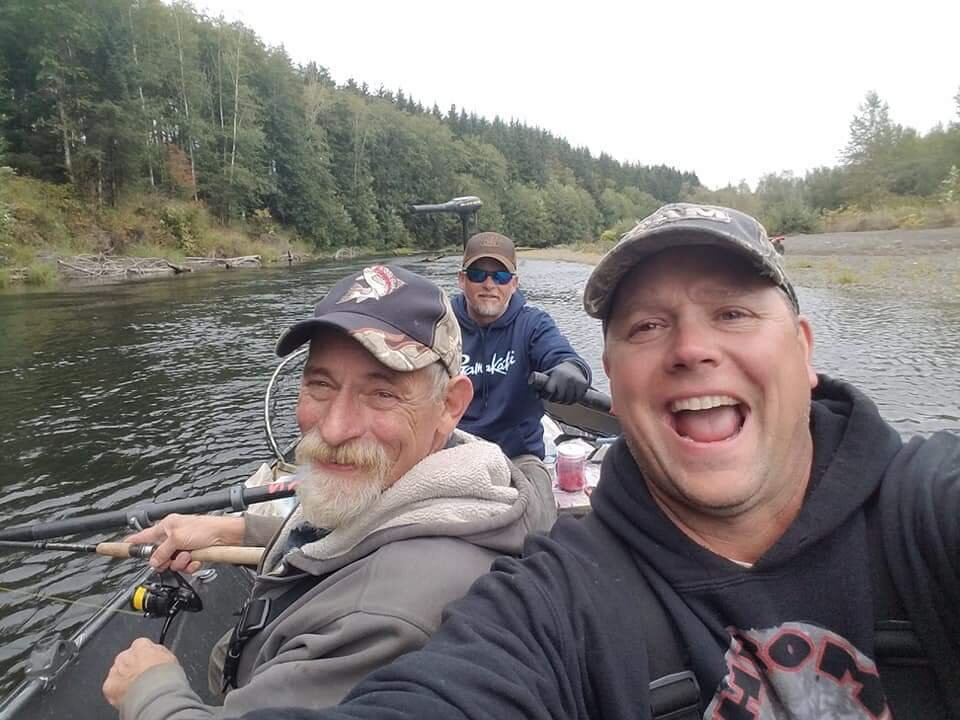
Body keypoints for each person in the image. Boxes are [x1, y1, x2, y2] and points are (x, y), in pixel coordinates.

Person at [241, 205, 959, 720]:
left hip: (517, 459)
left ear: (805, 349)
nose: (690, 349)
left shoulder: (926, 511)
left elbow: (561, 355)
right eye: (648, 325)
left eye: (733, 313)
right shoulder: (554, 604)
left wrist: (568, 377)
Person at [101, 264, 556, 719]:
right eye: (320, 384)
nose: (335, 428)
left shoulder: (384, 619)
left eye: (382, 394)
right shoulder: (449, 483)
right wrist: (233, 530)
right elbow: (362, 531)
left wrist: (151, 691)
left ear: (450, 406)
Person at [454, 231, 592, 487]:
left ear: (514, 283)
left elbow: (561, 354)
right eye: (477, 274)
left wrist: (571, 369)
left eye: (501, 276)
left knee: (535, 513)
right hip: (453, 454)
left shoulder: (533, 324)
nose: (489, 284)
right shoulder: (441, 323)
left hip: (520, 457)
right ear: (462, 280)